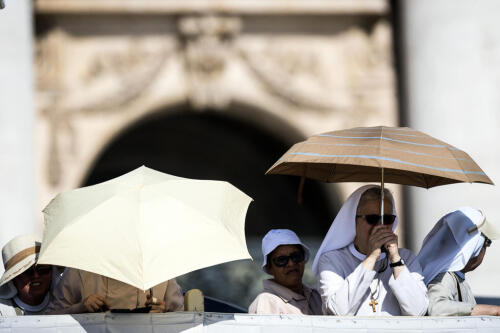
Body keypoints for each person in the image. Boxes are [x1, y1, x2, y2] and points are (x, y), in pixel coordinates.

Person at [312, 185, 428, 316]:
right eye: (372, 219)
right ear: (353, 220)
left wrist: (395, 260)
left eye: (387, 219)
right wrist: (372, 257)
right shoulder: (332, 261)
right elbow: (338, 311)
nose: (380, 226)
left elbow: (417, 311)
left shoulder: (406, 258)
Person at [417, 207, 500, 316]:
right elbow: (436, 308)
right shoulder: (445, 277)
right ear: (474, 248)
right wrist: (493, 311)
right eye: (487, 243)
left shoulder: (456, 276)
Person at [248, 229, 322, 315]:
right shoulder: (266, 303)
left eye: (296, 256)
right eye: (281, 260)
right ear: (269, 267)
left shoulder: (316, 297)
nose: (291, 263)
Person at [46, 268, 184, 314]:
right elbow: (49, 321)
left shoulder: (160, 273)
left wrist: (164, 312)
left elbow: (185, 320)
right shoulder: (80, 270)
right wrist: (80, 308)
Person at [0, 234, 61, 316]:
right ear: (13, 279)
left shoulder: (64, 304)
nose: (36, 276)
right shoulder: (3, 311)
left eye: (42, 269)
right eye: (27, 271)